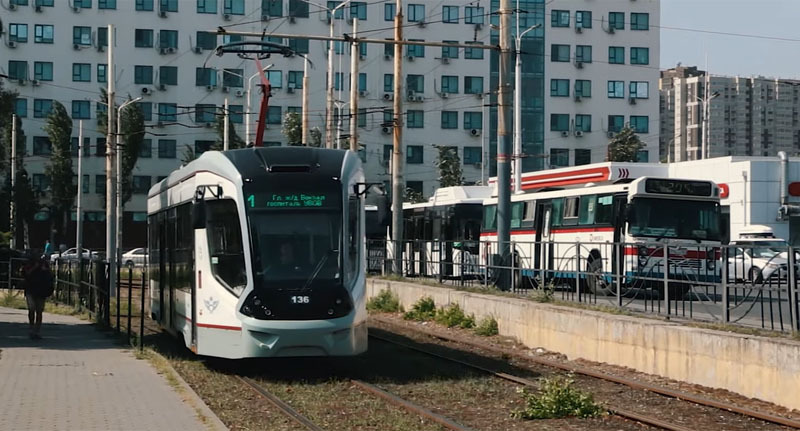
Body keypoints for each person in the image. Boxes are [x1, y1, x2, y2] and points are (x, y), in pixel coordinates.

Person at [22, 255, 54, 339]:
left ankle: (37, 330)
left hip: (41, 291)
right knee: (31, 309)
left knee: (39, 311)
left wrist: (45, 270)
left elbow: (50, 275)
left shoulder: (43, 264)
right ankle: (31, 328)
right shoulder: (29, 263)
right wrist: (35, 267)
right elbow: (25, 274)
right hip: (30, 290)